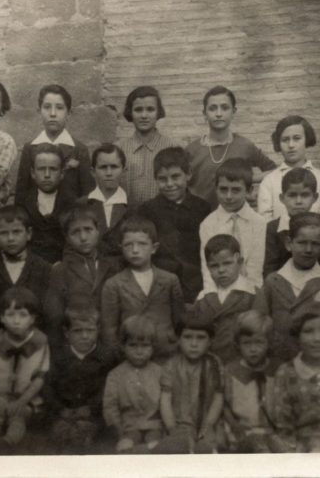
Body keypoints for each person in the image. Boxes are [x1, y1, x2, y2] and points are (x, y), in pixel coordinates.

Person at [101, 216, 184, 359]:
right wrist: (118, 356)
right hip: (132, 356)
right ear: (121, 248)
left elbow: (179, 320)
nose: (135, 250)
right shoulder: (114, 284)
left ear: (154, 248)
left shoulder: (170, 280)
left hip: (166, 354)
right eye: (128, 245)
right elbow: (110, 329)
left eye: (142, 244)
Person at [0, 205, 53, 342]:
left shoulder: (43, 268)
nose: (11, 238)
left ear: (29, 233)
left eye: (17, 232)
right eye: (4, 233)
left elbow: (48, 314)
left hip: (33, 343)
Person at [0, 287, 49, 450]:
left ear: (32, 319)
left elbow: (39, 379)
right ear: (2, 317)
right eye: (10, 315)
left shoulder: (40, 342)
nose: (16, 321)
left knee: (18, 417)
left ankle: (7, 442)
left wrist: (21, 401)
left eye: (23, 315)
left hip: (25, 398)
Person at [139, 146, 211, 303]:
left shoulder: (203, 209)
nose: (170, 184)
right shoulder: (147, 211)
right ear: (155, 179)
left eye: (175, 177)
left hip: (197, 287)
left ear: (189, 175)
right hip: (159, 288)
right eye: (162, 179)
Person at [187, 85, 276, 209]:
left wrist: (251, 180)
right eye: (213, 108)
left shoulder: (245, 146)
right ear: (204, 113)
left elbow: (274, 171)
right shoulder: (192, 150)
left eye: (224, 108)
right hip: (199, 219)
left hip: (236, 217)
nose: (218, 114)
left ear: (233, 112)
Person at [46, 205, 121, 351]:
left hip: (111, 343)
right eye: (75, 232)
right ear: (67, 237)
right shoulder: (61, 270)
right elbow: (54, 316)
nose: (83, 237)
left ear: (98, 231)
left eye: (88, 230)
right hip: (78, 343)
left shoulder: (114, 266)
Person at [254, 212, 320, 362]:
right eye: (302, 243)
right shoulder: (273, 281)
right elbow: (259, 324)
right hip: (278, 361)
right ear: (289, 243)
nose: (309, 249)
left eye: (315, 243)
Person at [48, 308, 115, 454]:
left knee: (86, 428)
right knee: (60, 431)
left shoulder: (105, 358)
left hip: (93, 413)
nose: (85, 336)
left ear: (98, 330)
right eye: (78, 331)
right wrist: (60, 409)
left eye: (90, 330)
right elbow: (49, 387)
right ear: (67, 333)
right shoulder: (59, 357)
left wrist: (91, 408)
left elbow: (108, 389)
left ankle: (82, 438)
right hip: (65, 411)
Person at [15, 84, 94, 207]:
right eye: (47, 107)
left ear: (69, 113)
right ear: (39, 111)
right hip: (36, 221)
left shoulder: (79, 150)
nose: (53, 113)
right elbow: (21, 193)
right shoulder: (30, 148)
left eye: (59, 108)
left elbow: (87, 193)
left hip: (70, 219)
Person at [153, 318, 224, 454]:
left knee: (208, 449)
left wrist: (208, 425)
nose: (193, 344)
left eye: (201, 338)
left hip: (208, 421)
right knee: (180, 447)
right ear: (178, 339)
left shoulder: (214, 363)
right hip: (180, 424)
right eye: (187, 337)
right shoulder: (171, 365)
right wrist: (171, 427)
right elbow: (165, 400)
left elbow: (218, 397)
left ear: (210, 341)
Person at [223, 310, 286, 453]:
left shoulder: (279, 369)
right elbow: (224, 405)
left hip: (274, 432)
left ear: (269, 343)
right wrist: (234, 425)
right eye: (246, 343)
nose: (253, 349)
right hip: (242, 432)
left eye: (259, 342)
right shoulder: (231, 371)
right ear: (238, 344)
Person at [199, 158, 266, 289]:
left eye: (236, 190)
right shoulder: (208, 224)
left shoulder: (259, 223)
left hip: (250, 292)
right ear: (216, 189)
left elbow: (255, 269)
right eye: (223, 189)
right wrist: (214, 298)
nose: (228, 196)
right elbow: (208, 270)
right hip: (218, 292)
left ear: (249, 190)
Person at [191, 234, 256, 363]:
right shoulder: (203, 297)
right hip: (209, 363)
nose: (221, 270)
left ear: (240, 262)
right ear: (208, 267)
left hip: (240, 362)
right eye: (214, 266)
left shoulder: (252, 294)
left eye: (227, 263)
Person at [103, 315, 163, 453]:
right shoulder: (115, 375)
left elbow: (167, 403)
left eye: (145, 346)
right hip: (128, 428)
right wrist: (120, 432)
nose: (139, 351)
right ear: (123, 346)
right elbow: (110, 407)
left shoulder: (160, 372)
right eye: (133, 345)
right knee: (126, 446)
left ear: (153, 347)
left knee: (156, 446)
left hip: (155, 427)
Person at [117, 86, 176, 205]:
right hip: (129, 219)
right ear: (130, 112)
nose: (144, 115)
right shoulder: (119, 149)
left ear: (158, 112)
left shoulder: (172, 148)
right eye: (138, 110)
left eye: (150, 109)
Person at [16, 143, 73, 264]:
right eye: (41, 169)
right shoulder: (23, 202)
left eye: (53, 169)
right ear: (32, 173)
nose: (47, 175)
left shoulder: (72, 202)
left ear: (62, 173)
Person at [274, 305, 320, 452]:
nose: (317, 338)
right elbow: (283, 424)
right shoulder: (286, 373)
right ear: (297, 336)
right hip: (303, 448)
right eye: (308, 331)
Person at [258, 115, 320, 221]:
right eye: (285, 140)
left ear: (307, 140)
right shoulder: (269, 181)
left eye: (297, 138)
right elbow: (265, 223)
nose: (291, 145)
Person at [264, 168, 318, 277]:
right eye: (292, 195)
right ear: (282, 198)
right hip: (282, 287)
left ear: (315, 198)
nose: (298, 201)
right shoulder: (272, 229)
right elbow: (270, 268)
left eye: (305, 195)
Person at [77, 143, 128, 257]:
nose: (109, 173)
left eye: (114, 167)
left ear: (124, 171)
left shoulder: (134, 207)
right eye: (103, 167)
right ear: (93, 172)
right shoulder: (81, 205)